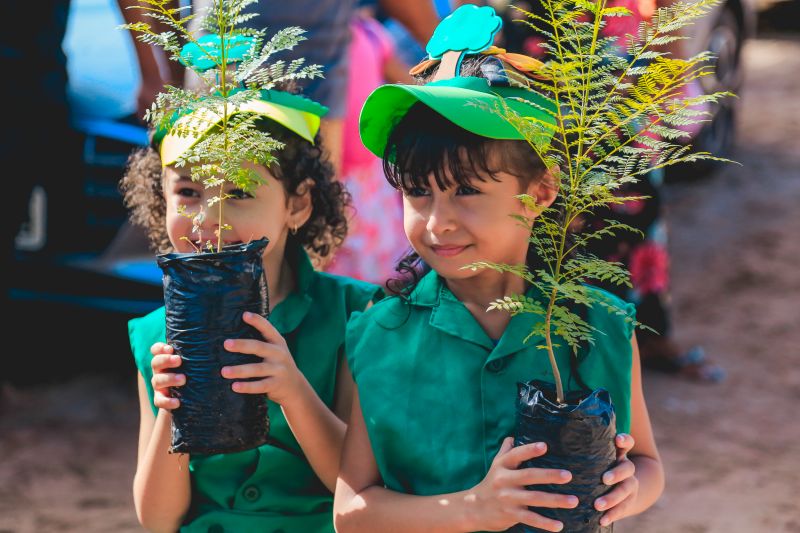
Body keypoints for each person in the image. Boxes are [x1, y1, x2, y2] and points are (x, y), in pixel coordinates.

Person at [334, 6, 664, 532]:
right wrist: (474, 509)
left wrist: (631, 488)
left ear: (539, 193)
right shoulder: (378, 335)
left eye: (466, 190)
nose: (438, 222)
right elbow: (351, 512)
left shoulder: (601, 324)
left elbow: (647, 465)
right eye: (419, 192)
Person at [121, 88, 381, 532]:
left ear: (297, 204)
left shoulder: (356, 314)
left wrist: (294, 392)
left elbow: (361, 488)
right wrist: (172, 410)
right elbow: (158, 519)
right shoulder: (154, 336)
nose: (210, 219)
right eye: (187, 191)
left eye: (239, 191)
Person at [495, 0, 724, 383]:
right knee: (547, 219)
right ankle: (555, 351)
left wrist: (673, 55)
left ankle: (644, 338)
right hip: (533, 48)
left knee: (637, 211)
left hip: (615, 54)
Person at [325, 4, 413, 283]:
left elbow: (407, 83)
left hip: (371, 175)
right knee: (337, 257)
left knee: (383, 258)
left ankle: (383, 313)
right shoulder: (316, 40)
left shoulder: (372, 34)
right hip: (334, 172)